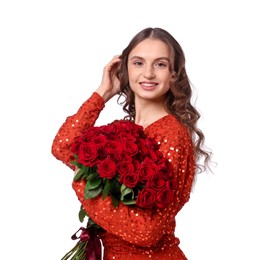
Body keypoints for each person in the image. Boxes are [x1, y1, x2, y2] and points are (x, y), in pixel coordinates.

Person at [52, 27, 212, 260]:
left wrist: (84, 185)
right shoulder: (124, 134)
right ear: (125, 68)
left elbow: (148, 231)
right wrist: (103, 92)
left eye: (160, 64)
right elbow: (63, 147)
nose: (148, 73)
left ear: (174, 74)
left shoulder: (171, 134)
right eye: (138, 63)